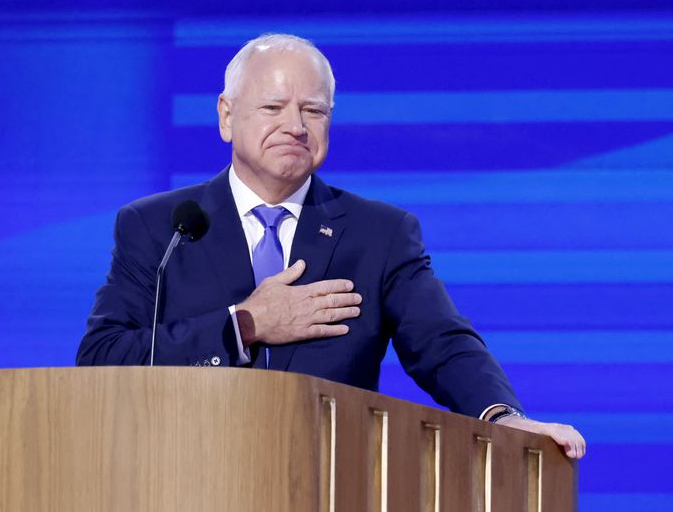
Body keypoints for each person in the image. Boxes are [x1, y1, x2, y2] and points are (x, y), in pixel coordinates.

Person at [77, 33, 586, 459]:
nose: (295, 127)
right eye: (273, 107)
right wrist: (244, 325)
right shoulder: (159, 227)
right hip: (182, 473)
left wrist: (502, 416)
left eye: (313, 110)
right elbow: (103, 358)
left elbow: (442, 343)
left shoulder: (378, 234)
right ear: (227, 116)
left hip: (329, 478)